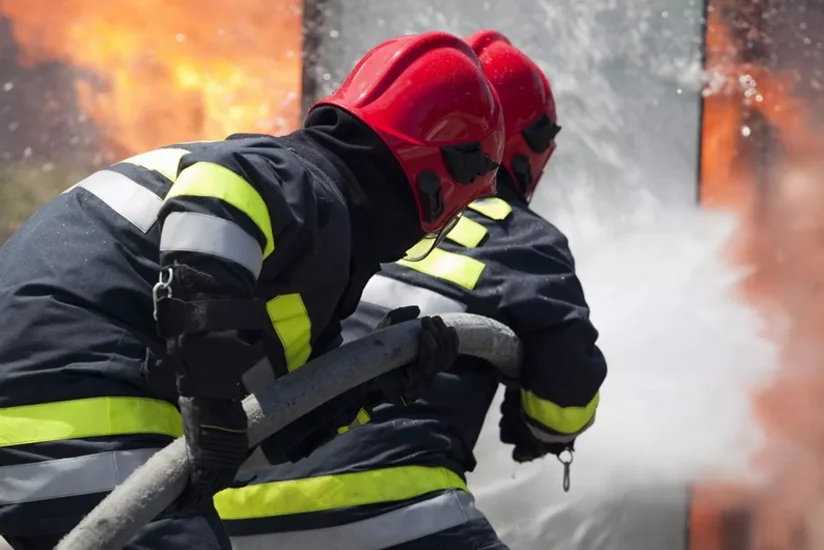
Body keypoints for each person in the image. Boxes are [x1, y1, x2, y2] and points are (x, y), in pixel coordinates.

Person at [0, 31, 505, 550]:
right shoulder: (304, 183)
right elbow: (218, 195)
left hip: (41, 415)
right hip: (78, 406)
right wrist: (209, 393)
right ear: (441, 178)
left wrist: (373, 386)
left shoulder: (294, 250)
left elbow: (253, 440)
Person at [218, 30, 608, 550]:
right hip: (386, 509)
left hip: (227, 513)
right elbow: (564, 406)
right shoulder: (518, 237)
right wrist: (538, 424)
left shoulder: (337, 212)